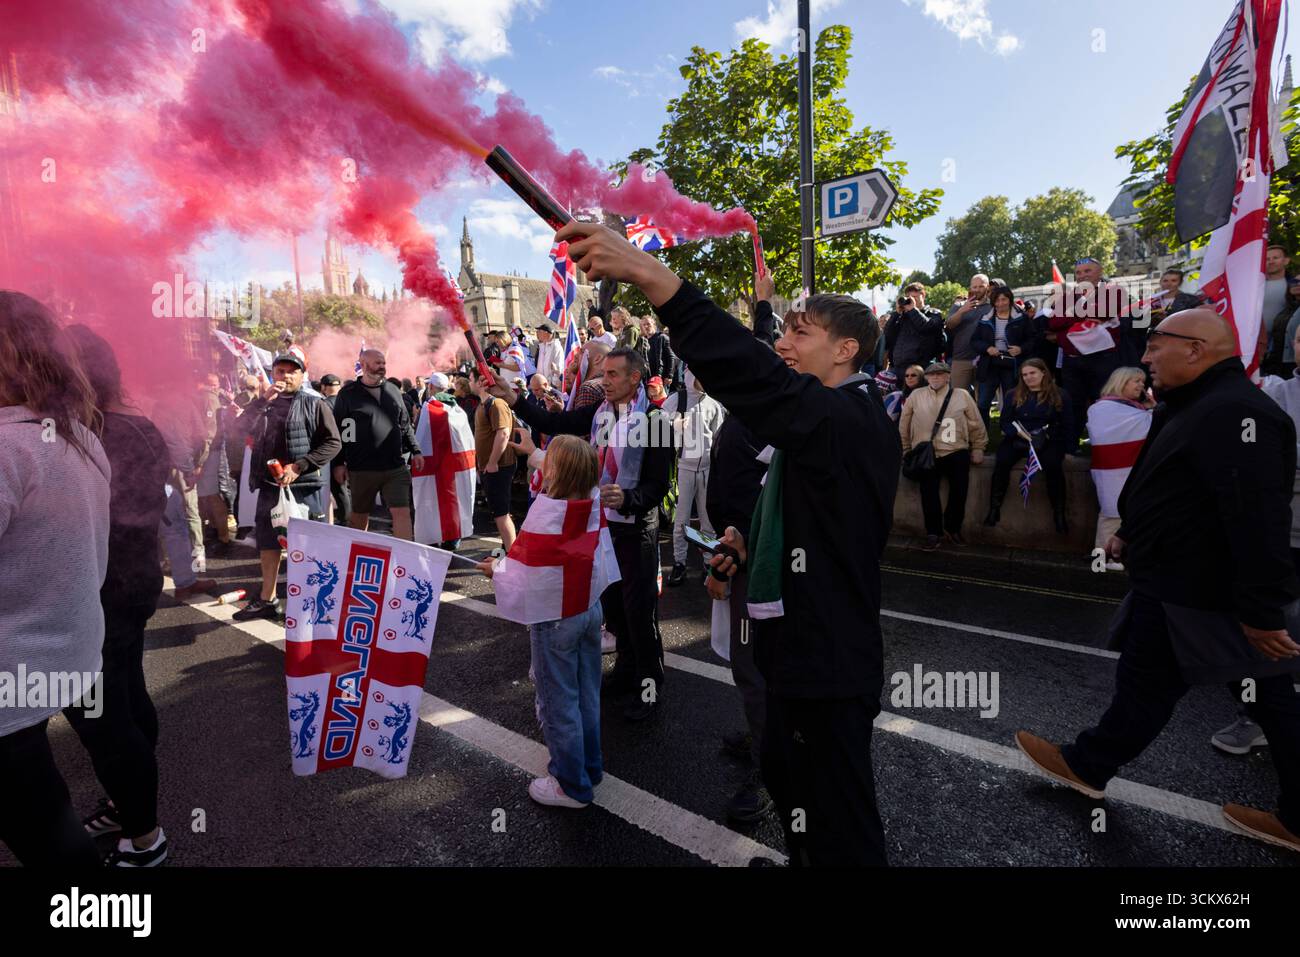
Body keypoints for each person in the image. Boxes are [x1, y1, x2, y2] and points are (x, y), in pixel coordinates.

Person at [554, 221, 901, 864]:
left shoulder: (850, 417)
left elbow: (752, 376)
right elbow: (807, 511)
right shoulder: (827, 419)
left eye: (800, 332)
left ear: (847, 349)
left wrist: (651, 275)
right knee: (789, 776)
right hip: (801, 646)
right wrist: (747, 540)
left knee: (840, 819)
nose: (782, 342)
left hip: (828, 657)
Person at [1016, 308, 1300, 854]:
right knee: (1148, 682)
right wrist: (1132, 531)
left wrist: (1263, 611)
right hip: (1173, 581)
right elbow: (1170, 485)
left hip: (1206, 591)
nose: (1143, 358)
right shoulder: (1195, 403)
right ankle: (1088, 763)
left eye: (1156, 347)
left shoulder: (1238, 413)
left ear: (1196, 349)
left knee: (1272, 700)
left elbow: (1256, 518)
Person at [491, 347, 673, 722]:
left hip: (636, 529)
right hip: (602, 525)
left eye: (612, 375)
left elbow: (657, 487)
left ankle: (649, 690)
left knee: (641, 616)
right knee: (614, 610)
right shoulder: (602, 413)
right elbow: (556, 423)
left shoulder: (655, 420)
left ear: (634, 378)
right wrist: (516, 399)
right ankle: (625, 673)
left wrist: (628, 497)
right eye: (603, 374)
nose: (603, 381)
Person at [0, 291, 109, 866]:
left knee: (47, 828)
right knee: (41, 810)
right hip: (60, 658)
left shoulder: (8, 447)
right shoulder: (77, 435)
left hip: (13, 673)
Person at [63, 326, 172, 866]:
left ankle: (143, 836)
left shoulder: (96, 431)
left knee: (101, 713)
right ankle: (128, 805)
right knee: (126, 693)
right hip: (135, 580)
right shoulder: (138, 423)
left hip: (105, 585)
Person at [478, 435, 611, 808]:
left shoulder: (546, 511)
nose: (542, 466)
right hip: (589, 609)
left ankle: (571, 785)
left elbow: (524, 568)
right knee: (586, 694)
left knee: (558, 701)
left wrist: (495, 570)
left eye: (548, 462)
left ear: (556, 472)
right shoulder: (593, 498)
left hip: (555, 618)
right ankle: (590, 766)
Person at [232, 353, 341, 622]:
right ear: (273, 375)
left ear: (303, 376)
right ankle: (267, 599)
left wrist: (299, 466)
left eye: (293, 371)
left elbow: (333, 443)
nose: (286, 376)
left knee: (307, 548)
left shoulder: (316, 404)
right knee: (268, 543)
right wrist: (260, 401)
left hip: (304, 487)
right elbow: (236, 429)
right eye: (280, 371)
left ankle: (312, 600)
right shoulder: (265, 404)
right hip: (270, 486)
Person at [330, 349, 423, 541]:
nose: (382, 367)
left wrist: (416, 450)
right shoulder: (348, 394)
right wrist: (339, 462)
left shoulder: (393, 390)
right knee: (359, 515)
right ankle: (356, 555)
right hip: (362, 469)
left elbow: (405, 425)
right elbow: (343, 431)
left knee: (402, 512)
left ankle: (403, 561)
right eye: (377, 363)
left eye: (383, 363)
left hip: (395, 467)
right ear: (363, 365)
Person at [899, 361, 987, 549]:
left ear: (948, 376)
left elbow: (976, 422)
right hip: (926, 453)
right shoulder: (916, 395)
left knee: (959, 493)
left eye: (940, 374)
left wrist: (979, 446)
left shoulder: (962, 395)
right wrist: (906, 449)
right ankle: (933, 533)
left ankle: (953, 529)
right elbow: (904, 424)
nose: (936, 377)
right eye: (932, 375)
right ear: (927, 378)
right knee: (928, 494)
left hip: (956, 452)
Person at [982, 358, 1076, 533]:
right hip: (1018, 438)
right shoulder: (1013, 394)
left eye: (1032, 373)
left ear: (1043, 373)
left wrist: (1070, 448)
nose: (1028, 378)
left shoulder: (1060, 394)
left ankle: (1059, 515)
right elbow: (1005, 421)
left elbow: (1068, 423)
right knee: (1002, 462)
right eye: (1024, 374)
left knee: (1053, 466)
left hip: (1048, 440)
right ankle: (994, 509)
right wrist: (1016, 433)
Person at [1047, 257, 1136, 420]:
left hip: (1103, 359)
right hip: (1072, 361)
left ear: (1100, 271)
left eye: (1087, 271)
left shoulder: (1114, 291)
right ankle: (1072, 443)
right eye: (1078, 272)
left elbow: (1104, 311)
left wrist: (1070, 313)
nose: (1082, 275)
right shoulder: (1069, 295)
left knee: (1104, 400)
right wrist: (1081, 313)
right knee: (1073, 404)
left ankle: (1105, 439)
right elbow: (1053, 322)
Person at [662, 368, 725, 586]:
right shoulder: (676, 399)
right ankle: (680, 563)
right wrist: (673, 425)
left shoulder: (714, 403)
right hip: (684, 468)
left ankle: (708, 561)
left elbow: (718, 436)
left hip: (708, 469)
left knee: (708, 520)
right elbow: (656, 424)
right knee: (681, 520)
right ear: (691, 376)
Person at [1086, 367, 1153, 567]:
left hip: (1129, 468)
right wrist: (1151, 413)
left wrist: (1150, 410)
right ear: (1121, 382)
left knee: (1119, 513)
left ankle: (1110, 558)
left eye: (1142, 382)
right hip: (1111, 468)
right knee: (1110, 514)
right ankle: (1100, 562)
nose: (1141, 385)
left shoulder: (1135, 408)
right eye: (1136, 381)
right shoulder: (1102, 408)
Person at [971, 286, 1035, 427]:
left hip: (1012, 365)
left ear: (1010, 300)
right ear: (993, 302)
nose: (1000, 303)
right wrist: (987, 348)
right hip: (989, 365)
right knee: (983, 402)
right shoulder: (985, 319)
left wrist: (1020, 349)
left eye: (1004, 299)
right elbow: (974, 341)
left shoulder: (1021, 318)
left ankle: (1010, 431)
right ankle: (982, 436)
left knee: (1011, 400)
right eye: (997, 300)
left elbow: (1033, 339)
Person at [471, 369, 519, 551]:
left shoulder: (497, 404)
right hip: (489, 467)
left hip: (499, 467)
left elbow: (503, 433)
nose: (469, 383)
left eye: (470, 379)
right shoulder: (483, 405)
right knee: (499, 511)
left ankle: (511, 554)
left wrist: (492, 463)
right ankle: (507, 548)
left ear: (480, 382)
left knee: (501, 512)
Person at [945, 274, 992, 392]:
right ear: (970, 288)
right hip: (961, 359)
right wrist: (962, 311)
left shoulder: (993, 306)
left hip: (985, 359)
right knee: (957, 398)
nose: (977, 290)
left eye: (981, 286)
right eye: (974, 287)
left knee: (982, 402)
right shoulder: (958, 305)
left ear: (988, 287)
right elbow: (949, 325)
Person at [884, 281, 944, 373]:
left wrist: (913, 310)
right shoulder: (902, 316)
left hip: (921, 367)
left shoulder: (933, 313)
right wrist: (896, 313)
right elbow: (888, 333)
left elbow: (927, 327)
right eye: (909, 298)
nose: (912, 300)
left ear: (923, 295)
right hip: (898, 367)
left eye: (915, 297)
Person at [643, 314, 676, 386]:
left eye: (648, 324)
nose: (646, 326)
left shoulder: (662, 338)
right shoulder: (643, 341)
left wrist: (669, 375)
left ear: (654, 324)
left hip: (661, 377)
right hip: (648, 378)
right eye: (644, 324)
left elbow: (671, 357)